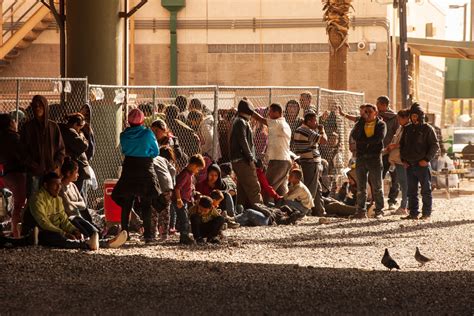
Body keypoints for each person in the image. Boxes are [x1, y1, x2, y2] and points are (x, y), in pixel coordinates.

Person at [30, 172, 127, 250]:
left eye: (59, 185)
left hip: (57, 229)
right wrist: (63, 232)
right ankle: (89, 244)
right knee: (59, 237)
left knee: (76, 224)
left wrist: (74, 230)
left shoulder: (57, 198)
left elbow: (64, 220)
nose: (58, 187)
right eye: (55, 185)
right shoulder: (37, 199)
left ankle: (105, 242)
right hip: (40, 232)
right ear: (46, 185)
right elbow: (43, 223)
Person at [111, 108, 160, 243]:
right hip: (145, 168)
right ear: (142, 121)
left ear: (128, 121)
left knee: (127, 202)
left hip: (129, 167)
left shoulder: (123, 135)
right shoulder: (148, 134)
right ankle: (148, 235)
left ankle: (125, 233)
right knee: (146, 203)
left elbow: (124, 150)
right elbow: (156, 152)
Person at [400, 103, 439, 220]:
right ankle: (413, 213)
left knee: (425, 190)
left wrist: (426, 159)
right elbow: (402, 145)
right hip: (409, 165)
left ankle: (426, 213)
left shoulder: (428, 129)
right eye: (412, 116)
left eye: (416, 115)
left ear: (420, 116)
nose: (414, 118)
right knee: (411, 191)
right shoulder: (407, 129)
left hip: (422, 165)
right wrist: (403, 160)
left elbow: (434, 146)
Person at [21, 95, 65, 197]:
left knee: (50, 199)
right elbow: (22, 151)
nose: (37, 108)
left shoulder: (53, 127)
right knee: (34, 200)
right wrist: (33, 165)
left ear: (45, 106)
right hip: (34, 173)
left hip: (51, 173)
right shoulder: (27, 127)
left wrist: (56, 165)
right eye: (35, 106)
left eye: (40, 105)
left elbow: (61, 149)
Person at [351, 103, 386, 219]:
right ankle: (361, 211)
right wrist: (361, 121)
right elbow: (355, 136)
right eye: (365, 112)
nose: (367, 114)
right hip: (361, 158)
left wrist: (363, 141)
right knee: (361, 187)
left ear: (375, 113)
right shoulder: (360, 124)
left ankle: (379, 210)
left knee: (377, 186)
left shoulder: (381, 125)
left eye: (370, 112)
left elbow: (377, 139)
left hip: (374, 158)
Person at [252, 103, 293, 199]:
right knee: (281, 190)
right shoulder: (284, 124)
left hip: (278, 161)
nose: (268, 114)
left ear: (277, 113)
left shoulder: (277, 123)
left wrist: (249, 110)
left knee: (268, 188)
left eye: (270, 112)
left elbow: (261, 120)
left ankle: (265, 210)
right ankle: (283, 208)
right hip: (285, 161)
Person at [292, 111, 327, 216]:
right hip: (311, 162)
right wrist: (322, 130)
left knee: (317, 188)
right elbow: (324, 140)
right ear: (309, 121)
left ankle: (320, 211)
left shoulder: (299, 130)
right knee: (311, 188)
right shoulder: (306, 131)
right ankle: (306, 212)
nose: (316, 123)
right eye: (315, 121)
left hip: (306, 161)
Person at [229, 99, 263, 208]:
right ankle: (263, 213)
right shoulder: (241, 122)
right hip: (243, 160)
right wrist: (251, 158)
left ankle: (241, 212)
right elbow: (243, 140)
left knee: (242, 189)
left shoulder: (237, 121)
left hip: (238, 160)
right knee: (254, 187)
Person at [59, 157, 105, 232]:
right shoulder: (61, 188)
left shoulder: (73, 186)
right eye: (76, 172)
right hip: (69, 220)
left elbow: (83, 205)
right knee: (90, 231)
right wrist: (75, 204)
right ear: (68, 173)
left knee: (95, 230)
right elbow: (68, 207)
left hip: (78, 218)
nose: (78, 175)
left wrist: (71, 203)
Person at [0, 114, 26, 237]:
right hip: (17, 173)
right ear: (10, 123)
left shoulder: (2, 138)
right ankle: (16, 232)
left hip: (6, 174)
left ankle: (13, 229)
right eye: (15, 121)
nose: (17, 123)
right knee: (19, 205)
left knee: (15, 204)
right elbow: (23, 155)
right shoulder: (15, 138)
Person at [173, 154, 206, 245]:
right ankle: (184, 237)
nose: (197, 171)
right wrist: (179, 199)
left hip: (185, 200)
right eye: (198, 169)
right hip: (181, 200)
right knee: (184, 219)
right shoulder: (185, 174)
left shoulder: (189, 174)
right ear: (194, 165)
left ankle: (185, 236)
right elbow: (177, 188)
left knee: (185, 218)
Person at [376, 96, 399, 210]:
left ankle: (392, 201)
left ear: (384, 105)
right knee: (379, 176)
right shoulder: (376, 116)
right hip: (381, 152)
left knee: (395, 177)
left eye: (378, 104)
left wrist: (392, 146)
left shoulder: (394, 118)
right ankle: (378, 201)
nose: (377, 106)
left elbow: (397, 133)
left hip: (393, 152)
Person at [386, 110, 410, 216]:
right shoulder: (401, 128)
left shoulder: (408, 129)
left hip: (402, 160)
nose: (398, 120)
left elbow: (406, 143)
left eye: (400, 118)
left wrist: (394, 146)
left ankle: (404, 206)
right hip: (398, 160)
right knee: (404, 184)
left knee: (405, 185)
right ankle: (406, 206)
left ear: (405, 118)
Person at [59, 113, 91, 192]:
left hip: (75, 167)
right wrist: (81, 135)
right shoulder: (70, 132)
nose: (80, 130)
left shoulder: (66, 130)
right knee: (77, 192)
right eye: (80, 128)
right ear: (75, 124)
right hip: (75, 167)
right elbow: (83, 146)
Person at [152, 145, 176, 241]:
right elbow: (173, 170)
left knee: (153, 210)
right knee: (165, 210)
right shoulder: (162, 159)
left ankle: (152, 233)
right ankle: (164, 234)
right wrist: (172, 182)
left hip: (156, 185)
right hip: (167, 184)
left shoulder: (147, 159)